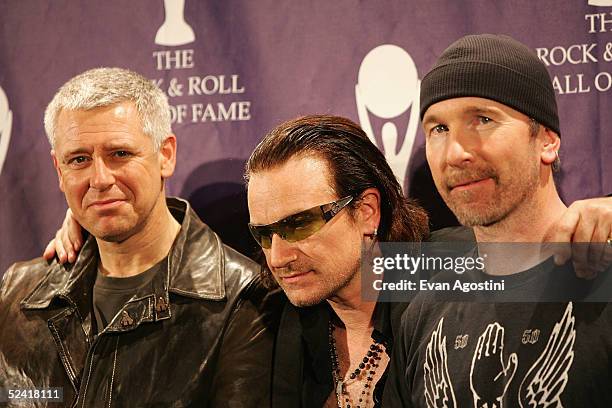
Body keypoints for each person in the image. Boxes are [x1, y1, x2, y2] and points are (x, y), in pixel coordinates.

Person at [44, 110, 611, 408]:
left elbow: (534, 257)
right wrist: (98, 221)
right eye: (263, 233)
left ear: (366, 211)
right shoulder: (271, 313)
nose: (280, 254)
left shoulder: (437, 273)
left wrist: (602, 216)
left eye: (300, 223)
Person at [0, 67, 278, 407]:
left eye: (120, 154)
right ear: (60, 171)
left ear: (166, 155)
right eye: (79, 159)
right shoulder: (18, 293)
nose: (99, 179)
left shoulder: (243, 299)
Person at [383, 34, 612, 407]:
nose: (455, 153)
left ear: (547, 141)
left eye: (483, 119)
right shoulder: (423, 312)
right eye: (438, 129)